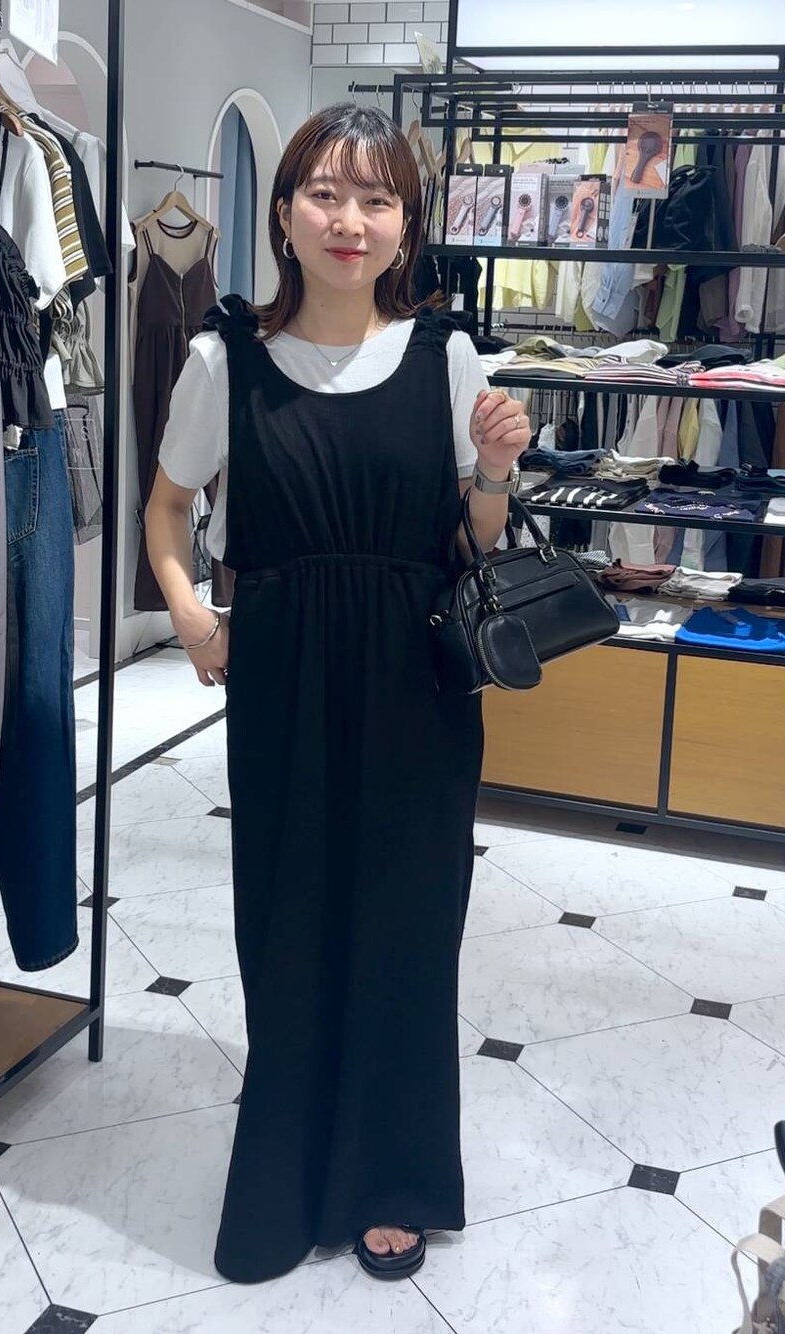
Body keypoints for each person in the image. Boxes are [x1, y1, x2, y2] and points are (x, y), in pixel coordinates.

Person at [145, 102, 530, 1286]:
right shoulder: (224, 361)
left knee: (405, 927)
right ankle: (286, 1174)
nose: (348, 219)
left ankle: (390, 1179)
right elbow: (167, 510)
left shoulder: (444, 357)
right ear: (284, 214)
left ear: (406, 222)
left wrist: (495, 473)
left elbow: (471, 542)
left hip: (417, 684)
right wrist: (192, 614)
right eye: (324, 193)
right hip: (283, 682)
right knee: (288, 922)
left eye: (376, 198)